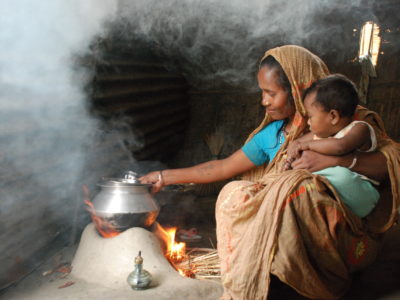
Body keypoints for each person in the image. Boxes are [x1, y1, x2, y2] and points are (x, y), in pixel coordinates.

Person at [140, 45, 400, 300]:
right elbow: (221, 167)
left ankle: (314, 281)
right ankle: (257, 282)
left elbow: (389, 166)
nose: (264, 101)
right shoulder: (273, 135)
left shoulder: (348, 122)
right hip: (285, 232)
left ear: (297, 89)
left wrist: (334, 160)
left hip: (345, 233)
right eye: (262, 93)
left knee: (298, 189)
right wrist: (164, 177)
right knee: (235, 192)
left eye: (271, 93)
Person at [284, 74, 380, 218]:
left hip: (361, 195)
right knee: (302, 171)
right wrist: (292, 154)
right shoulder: (321, 133)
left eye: (310, 117)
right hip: (340, 197)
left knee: (340, 174)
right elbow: (299, 143)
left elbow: (340, 147)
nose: (308, 123)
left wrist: (308, 145)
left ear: (333, 116)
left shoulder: (360, 129)